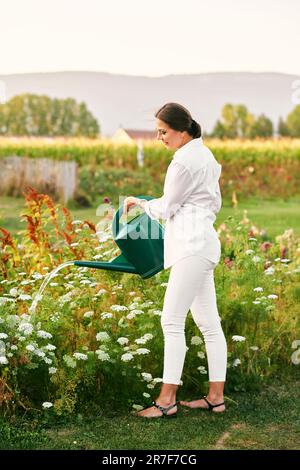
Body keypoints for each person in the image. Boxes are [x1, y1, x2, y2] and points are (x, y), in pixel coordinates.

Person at [123, 102, 227, 418]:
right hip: (204, 244)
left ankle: (166, 400)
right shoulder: (206, 156)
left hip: (191, 247)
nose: (159, 138)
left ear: (181, 131)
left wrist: (139, 203)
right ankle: (215, 398)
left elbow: (168, 207)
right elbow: (212, 204)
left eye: (163, 132)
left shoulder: (182, 161)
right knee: (209, 325)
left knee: (171, 320)